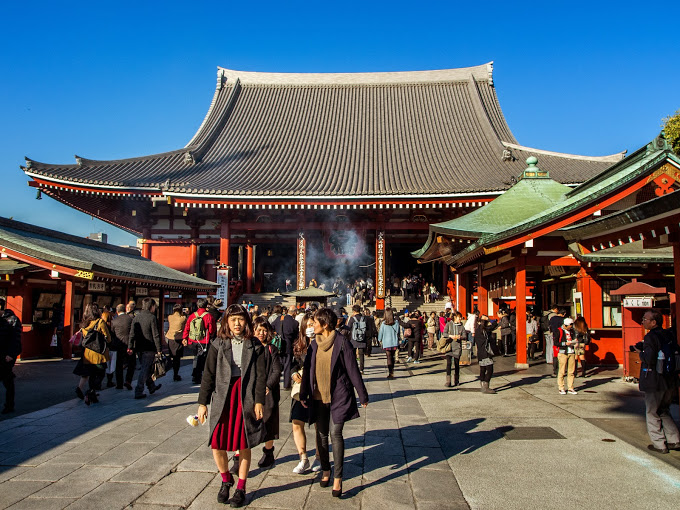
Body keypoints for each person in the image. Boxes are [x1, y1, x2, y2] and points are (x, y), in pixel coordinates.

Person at [197, 304, 266, 507]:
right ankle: (226, 479)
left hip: (244, 395)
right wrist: (203, 403)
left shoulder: (255, 345)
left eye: (241, 319)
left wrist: (259, 400)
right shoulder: (218, 344)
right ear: (226, 321)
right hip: (223, 396)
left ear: (247, 321)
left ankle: (241, 487)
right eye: (233, 319)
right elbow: (208, 374)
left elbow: (261, 376)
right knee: (217, 442)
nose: (237, 323)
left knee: (243, 442)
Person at [299, 308, 369, 498]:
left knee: (335, 433)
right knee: (321, 435)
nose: (312, 325)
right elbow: (307, 370)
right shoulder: (314, 344)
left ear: (326, 324)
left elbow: (352, 369)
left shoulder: (342, 342)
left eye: (315, 322)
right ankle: (325, 470)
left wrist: (362, 394)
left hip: (338, 395)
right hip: (317, 396)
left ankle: (338, 477)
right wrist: (304, 392)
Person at [636, 310, 680, 454]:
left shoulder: (650, 337)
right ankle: (675, 439)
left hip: (655, 381)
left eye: (645, 319)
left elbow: (649, 359)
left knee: (652, 412)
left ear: (653, 322)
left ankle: (659, 444)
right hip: (670, 380)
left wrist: (640, 352)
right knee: (664, 409)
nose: (642, 321)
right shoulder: (669, 334)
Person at [253, 317, 281, 469]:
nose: (261, 333)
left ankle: (268, 452)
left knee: (269, 422)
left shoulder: (272, 349)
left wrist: (268, 385)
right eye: (258, 330)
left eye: (264, 330)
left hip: (268, 392)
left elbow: (277, 370)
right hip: (251, 390)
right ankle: (238, 458)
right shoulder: (248, 347)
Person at [73, 303, 112, 405]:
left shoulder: (84, 324)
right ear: (96, 311)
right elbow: (108, 338)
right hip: (99, 354)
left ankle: (92, 394)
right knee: (100, 374)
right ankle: (90, 392)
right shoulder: (100, 322)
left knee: (91, 375)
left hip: (87, 353)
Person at [128, 297, 163, 399]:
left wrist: (130, 346)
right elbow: (155, 334)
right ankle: (139, 390)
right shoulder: (152, 318)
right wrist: (159, 349)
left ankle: (151, 386)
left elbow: (132, 334)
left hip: (139, 347)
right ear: (151, 307)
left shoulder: (136, 317)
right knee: (145, 368)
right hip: (149, 347)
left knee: (145, 367)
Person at [183, 298, 217, 384]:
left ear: (197, 305)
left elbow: (187, 327)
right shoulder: (208, 316)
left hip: (193, 339)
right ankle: (198, 375)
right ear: (206, 306)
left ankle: (195, 375)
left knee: (195, 357)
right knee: (202, 358)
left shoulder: (192, 315)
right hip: (204, 341)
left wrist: (185, 338)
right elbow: (212, 329)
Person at [0, 298, 22, 414]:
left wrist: (11, 354)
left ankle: (9, 405)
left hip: (7, 355)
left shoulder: (13, 320)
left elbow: (16, 339)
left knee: (7, 381)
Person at [111, 302, 136, 390]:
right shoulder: (130, 319)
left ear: (117, 312)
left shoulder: (114, 321)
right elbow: (133, 332)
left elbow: (112, 334)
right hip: (129, 344)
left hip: (118, 345)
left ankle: (119, 384)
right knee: (131, 364)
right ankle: (128, 380)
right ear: (125, 310)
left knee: (119, 365)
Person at [273, 306, 299, 389]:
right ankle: (286, 384)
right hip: (288, 346)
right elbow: (296, 336)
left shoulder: (279, 318)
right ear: (295, 312)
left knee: (277, 364)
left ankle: (274, 382)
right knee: (287, 365)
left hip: (277, 345)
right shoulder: (295, 323)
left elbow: (271, 326)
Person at [347, 305, 375, 374]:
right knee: (361, 354)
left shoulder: (352, 319)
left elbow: (348, 328)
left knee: (353, 354)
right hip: (362, 338)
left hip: (353, 338)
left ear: (353, 311)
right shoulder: (364, 318)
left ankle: (354, 368)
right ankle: (361, 369)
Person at [474, 313, 496, 394]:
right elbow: (495, 324)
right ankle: (486, 386)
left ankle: (482, 385)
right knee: (490, 369)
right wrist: (488, 319)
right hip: (486, 352)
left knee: (482, 369)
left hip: (480, 352)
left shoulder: (477, 330)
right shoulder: (485, 330)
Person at [442, 312, 464, 387]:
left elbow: (465, 336)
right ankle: (448, 381)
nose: (460, 319)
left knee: (457, 364)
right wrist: (450, 336)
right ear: (455, 317)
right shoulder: (449, 324)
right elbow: (444, 333)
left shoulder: (461, 326)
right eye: (459, 317)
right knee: (448, 364)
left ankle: (456, 380)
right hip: (449, 347)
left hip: (457, 347)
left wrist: (460, 337)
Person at [556, 318, 577, 395]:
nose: (570, 327)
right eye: (569, 326)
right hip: (563, 352)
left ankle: (570, 387)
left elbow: (575, 338)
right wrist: (564, 343)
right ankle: (561, 387)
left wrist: (575, 342)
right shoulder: (559, 331)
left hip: (571, 351)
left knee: (571, 371)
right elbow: (556, 342)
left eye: (571, 326)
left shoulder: (572, 331)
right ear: (565, 325)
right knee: (562, 371)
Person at [166, 304, 187, 381]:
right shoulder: (183, 318)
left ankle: (172, 371)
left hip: (171, 338)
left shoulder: (170, 317)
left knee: (172, 356)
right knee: (177, 359)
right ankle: (175, 374)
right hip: (179, 339)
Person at [378, 308, 400, 379]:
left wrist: (379, 339)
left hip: (386, 342)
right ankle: (392, 371)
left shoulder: (384, 324)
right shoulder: (396, 322)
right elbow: (398, 331)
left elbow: (381, 333)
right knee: (392, 356)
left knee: (389, 357)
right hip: (394, 341)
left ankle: (390, 372)